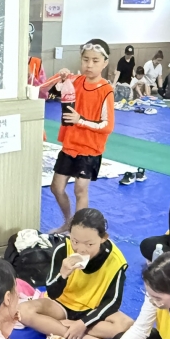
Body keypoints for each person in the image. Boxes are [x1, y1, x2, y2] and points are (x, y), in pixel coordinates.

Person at [20, 209, 132, 339]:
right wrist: (63, 274)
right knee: (22, 311)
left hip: (92, 310)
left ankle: (55, 326)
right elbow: (52, 294)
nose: (80, 249)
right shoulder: (63, 249)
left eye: (89, 244)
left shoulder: (116, 260)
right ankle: (84, 337)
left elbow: (112, 302)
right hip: (60, 305)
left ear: (103, 238)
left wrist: (83, 323)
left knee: (127, 325)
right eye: (75, 241)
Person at [49, 39, 115, 232]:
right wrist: (60, 77)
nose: (89, 65)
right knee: (56, 188)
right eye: (86, 60)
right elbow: (49, 91)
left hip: (90, 149)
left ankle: (77, 231)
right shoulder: (75, 81)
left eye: (95, 60)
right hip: (70, 145)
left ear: (105, 63)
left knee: (80, 189)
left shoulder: (106, 90)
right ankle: (68, 222)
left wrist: (80, 120)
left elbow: (107, 126)